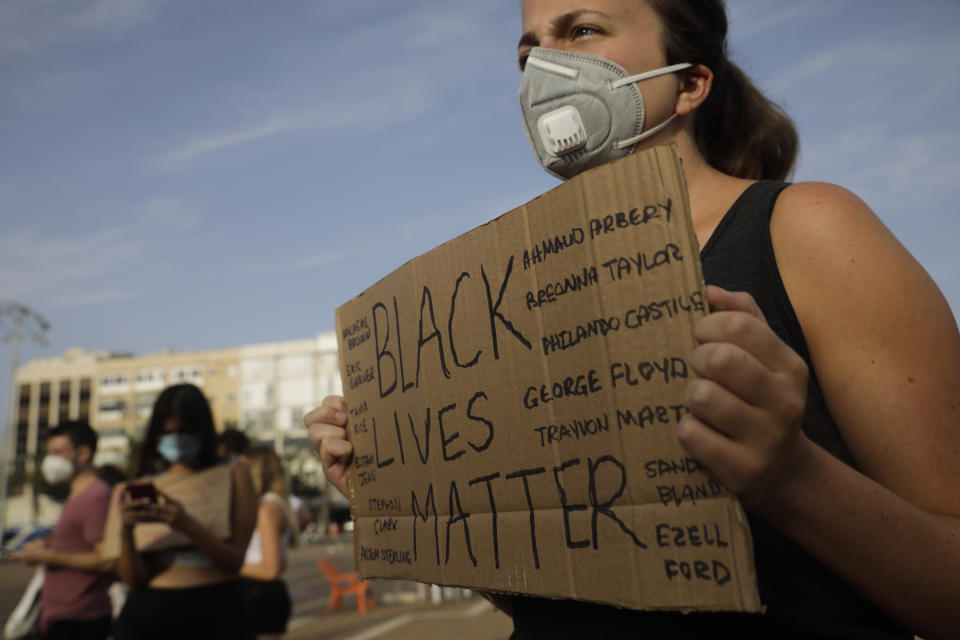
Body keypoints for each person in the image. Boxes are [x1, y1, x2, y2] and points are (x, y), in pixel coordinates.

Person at [306, 1, 960, 638]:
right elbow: (566, 597)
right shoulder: (517, 289)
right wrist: (402, 495)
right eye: (528, 52)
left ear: (690, 83)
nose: (543, 70)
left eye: (582, 31)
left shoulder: (810, 228)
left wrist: (795, 480)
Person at [113, 383, 258, 640]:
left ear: (203, 431)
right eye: (167, 432)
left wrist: (186, 524)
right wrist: (125, 530)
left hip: (217, 612)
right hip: (147, 615)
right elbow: (133, 580)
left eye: (184, 431)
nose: (176, 440)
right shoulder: (142, 485)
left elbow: (233, 562)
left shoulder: (234, 474)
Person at [11, 420, 116, 640]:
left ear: (84, 452)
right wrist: (50, 545)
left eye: (58, 452)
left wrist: (49, 556)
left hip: (80, 617)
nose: (50, 460)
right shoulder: (77, 494)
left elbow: (106, 560)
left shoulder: (96, 496)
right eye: (49, 452)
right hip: (64, 615)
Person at [240, 446, 297, 639]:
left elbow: (271, 569)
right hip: (262, 593)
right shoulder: (276, 503)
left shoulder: (267, 509)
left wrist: (228, 564)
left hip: (261, 595)